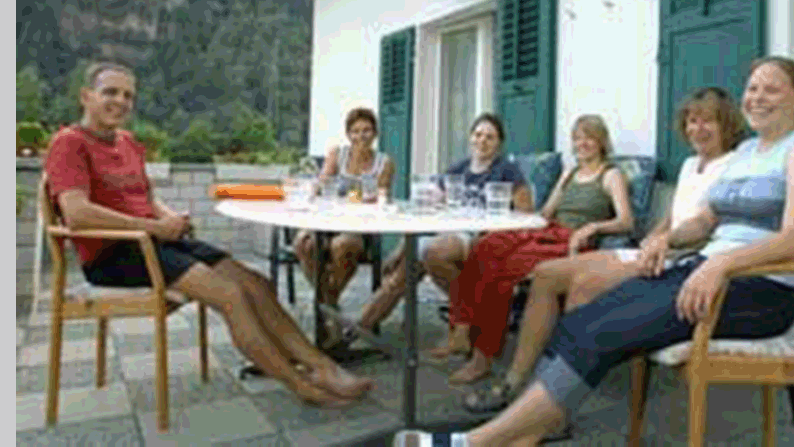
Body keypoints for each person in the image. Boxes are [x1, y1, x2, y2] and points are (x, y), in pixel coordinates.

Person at [395, 56, 794, 446]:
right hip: (706, 272)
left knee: (602, 330)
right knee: (582, 320)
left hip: (762, 289)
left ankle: (479, 442)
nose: (757, 97)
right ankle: (527, 431)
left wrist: (720, 264)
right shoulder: (746, 152)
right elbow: (705, 220)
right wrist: (666, 239)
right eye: (753, 88)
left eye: (772, 89)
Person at [44, 61, 374, 409]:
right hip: (114, 254)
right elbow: (77, 214)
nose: (121, 101)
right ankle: (300, 385)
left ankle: (323, 368)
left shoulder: (126, 142)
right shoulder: (69, 143)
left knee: (257, 284)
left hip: (154, 242)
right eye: (110, 92)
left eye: (128, 95)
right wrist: (155, 227)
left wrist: (170, 218)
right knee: (231, 295)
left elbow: (146, 198)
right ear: (86, 96)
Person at [462, 86, 747, 413]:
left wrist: (659, 242)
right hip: (656, 251)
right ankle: (515, 383)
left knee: (582, 285)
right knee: (544, 274)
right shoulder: (690, 164)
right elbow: (672, 218)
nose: (698, 129)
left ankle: (553, 406)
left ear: (726, 123)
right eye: (692, 121)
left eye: (708, 121)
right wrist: (653, 238)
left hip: (687, 261)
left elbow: (707, 225)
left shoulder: (734, 165)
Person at [437, 114, 636, 385]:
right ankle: (462, 329)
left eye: (589, 138)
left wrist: (594, 227)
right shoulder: (569, 173)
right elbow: (545, 213)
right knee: (484, 248)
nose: (582, 143)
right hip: (547, 230)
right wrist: (514, 227)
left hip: (573, 241)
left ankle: (483, 357)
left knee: (502, 274)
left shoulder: (610, 174)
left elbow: (626, 221)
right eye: (577, 138)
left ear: (601, 141)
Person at [331, 113, 533, 348]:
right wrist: (399, 250)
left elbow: (525, 214)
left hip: (483, 237)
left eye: (490, 137)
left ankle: (468, 318)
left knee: (432, 253)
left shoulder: (507, 170)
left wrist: (493, 233)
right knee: (399, 277)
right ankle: (353, 334)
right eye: (478, 135)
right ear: (470, 138)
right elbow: (426, 209)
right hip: (451, 232)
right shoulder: (459, 168)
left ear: (499, 142)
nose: (482, 141)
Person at [292, 107, 395, 347]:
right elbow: (322, 184)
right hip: (328, 220)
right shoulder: (337, 154)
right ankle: (332, 308)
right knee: (303, 242)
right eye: (355, 131)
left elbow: (381, 197)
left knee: (345, 246)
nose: (361, 136)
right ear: (348, 134)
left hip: (360, 225)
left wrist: (357, 199)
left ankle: (326, 308)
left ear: (375, 133)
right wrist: (317, 188)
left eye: (367, 130)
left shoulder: (384, 162)